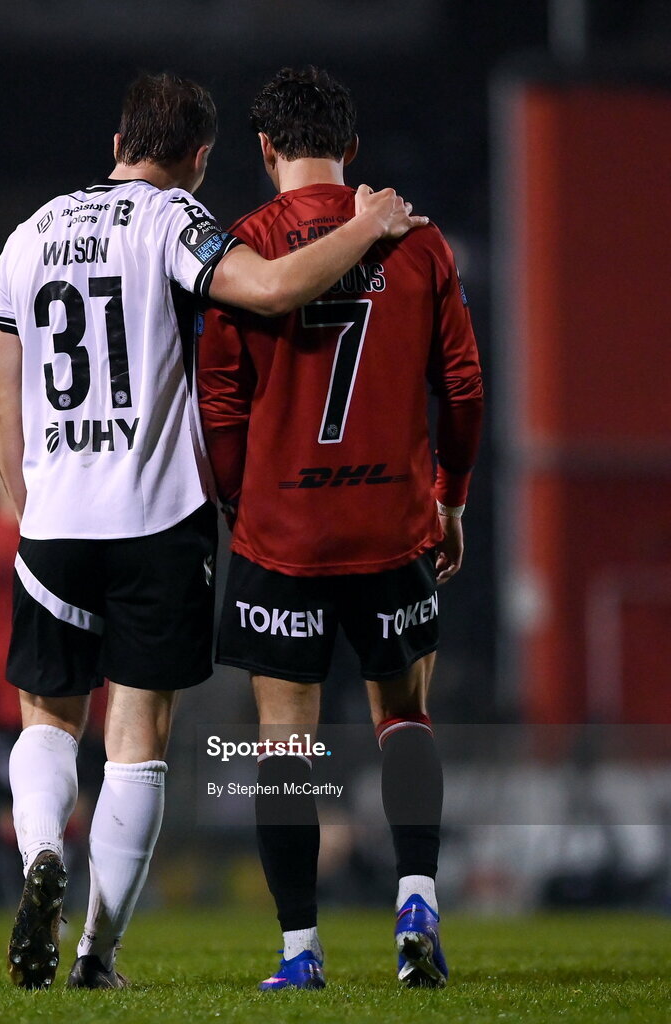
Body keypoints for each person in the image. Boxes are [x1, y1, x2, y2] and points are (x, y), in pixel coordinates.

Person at [0, 71, 427, 990]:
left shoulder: (28, 235)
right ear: (199, 159)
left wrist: (31, 507)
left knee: (47, 721)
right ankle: (96, 953)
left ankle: (37, 856)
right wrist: (365, 225)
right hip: (155, 521)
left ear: (117, 141)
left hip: (55, 514)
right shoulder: (175, 223)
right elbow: (267, 289)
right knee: (135, 736)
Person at [198, 66, 483, 990]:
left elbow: (222, 404)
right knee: (402, 716)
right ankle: (416, 904)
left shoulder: (242, 249)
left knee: (286, 741)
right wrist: (452, 498)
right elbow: (465, 390)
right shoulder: (419, 240)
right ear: (351, 148)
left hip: (284, 534)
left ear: (266, 148)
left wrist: (242, 500)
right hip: (391, 525)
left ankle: (300, 954)